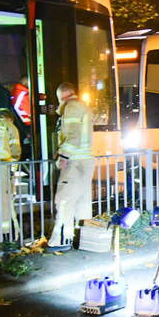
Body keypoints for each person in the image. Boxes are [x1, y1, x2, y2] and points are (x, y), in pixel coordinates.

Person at [47, 82, 95, 251]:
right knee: (81, 201)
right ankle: (80, 239)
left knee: (64, 200)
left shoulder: (72, 107)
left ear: (62, 96)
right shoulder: (83, 106)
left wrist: (63, 156)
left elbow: (73, 135)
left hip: (74, 161)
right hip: (85, 160)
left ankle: (61, 240)